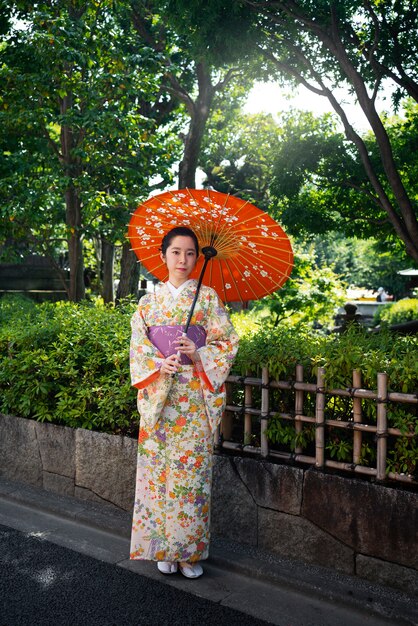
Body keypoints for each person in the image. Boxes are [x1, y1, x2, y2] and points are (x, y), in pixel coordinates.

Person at [129, 226, 239, 579]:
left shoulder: (207, 299)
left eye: (190, 253)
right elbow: (138, 350)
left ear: (197, 257)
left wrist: (199, 351)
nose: (183, 260)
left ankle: (189, 553)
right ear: (163, 256)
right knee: (159, 477)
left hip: (192, 401)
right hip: (160, 399)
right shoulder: (148, 303)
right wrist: (161, 364)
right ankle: (162, 548)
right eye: (176, 252)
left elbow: (228, 342)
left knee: (191, 479)